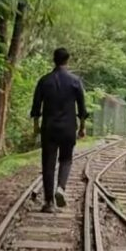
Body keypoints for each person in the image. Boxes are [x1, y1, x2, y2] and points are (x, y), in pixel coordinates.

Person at [30, 47, 88, 213]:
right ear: (67, 60)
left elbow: (36, 107)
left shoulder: (44, 81)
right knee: (66, 159)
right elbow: (81, 108)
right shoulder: (75, 81)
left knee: (48, 164)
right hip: (69, 127)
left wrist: (36, 127)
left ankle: (48, 203)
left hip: (49, 127)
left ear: (53, 60)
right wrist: (82, 127)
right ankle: (61, 188)